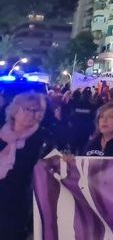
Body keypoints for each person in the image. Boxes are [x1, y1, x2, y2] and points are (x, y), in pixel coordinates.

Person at [0, 92, 53, 239]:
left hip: (18, 201)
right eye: (27, 109)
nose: (31, 114)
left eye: (36, 110)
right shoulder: (1, 133)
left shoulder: (43, 139)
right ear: (15, 110)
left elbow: (54, 166)